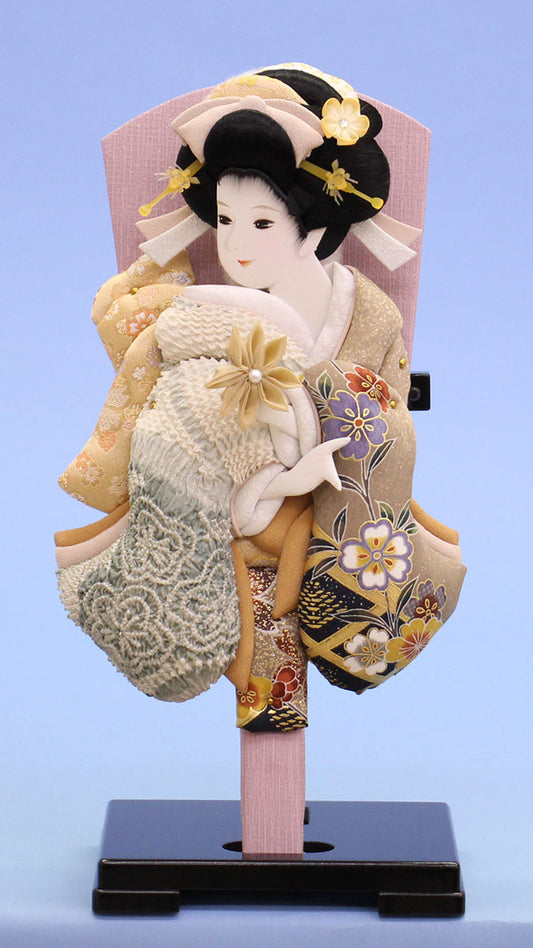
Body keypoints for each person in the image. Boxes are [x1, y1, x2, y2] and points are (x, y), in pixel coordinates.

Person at [56, 65, 465, 732]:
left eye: (261, 222)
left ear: (314, 227)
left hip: (341, 522)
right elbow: (183, 431)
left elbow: (388, 407)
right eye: (223, 219)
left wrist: (347, 418)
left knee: (362, 590)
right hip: (228, 522)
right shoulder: (199, 321)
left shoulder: (368, 313)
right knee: (263, 678)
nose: (236, 244)